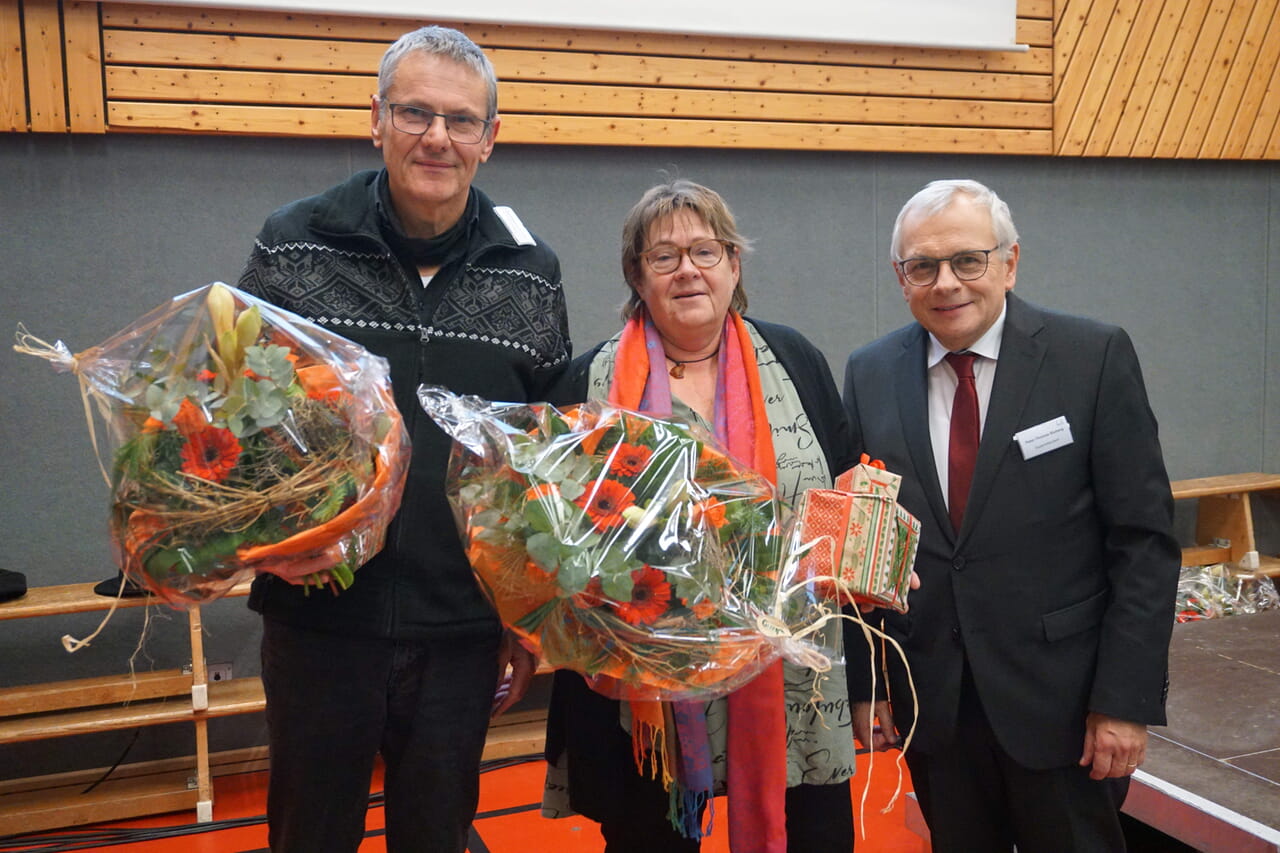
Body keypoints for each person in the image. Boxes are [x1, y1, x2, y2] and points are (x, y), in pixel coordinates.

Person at [236, 26, 570, 853]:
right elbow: (233, 414)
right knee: (308, 836)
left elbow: (544, 458)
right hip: (319, 622)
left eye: (461, 120)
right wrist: (255, 543)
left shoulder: (532, 271)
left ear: (490, 138)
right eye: (414, 112)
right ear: (376, 118)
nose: (436, 137)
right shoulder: (294, 240)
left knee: (439, 835)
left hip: (460, 630)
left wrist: (525, 621)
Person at [841, 179, 1181, 851]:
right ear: (899, 276)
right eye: (924, 266)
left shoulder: (1091, 357)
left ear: (1010, 261)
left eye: (968, 259)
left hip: (1065, 709)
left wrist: (1125, 699)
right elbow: (862, 542)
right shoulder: (871, 370)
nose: (947, 283)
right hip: (933, 702)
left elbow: (1143, 544)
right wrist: (868, 683)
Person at [541, 178, 877, 853]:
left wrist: (874, 572)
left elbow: (844, 501)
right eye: (663, 256)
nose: (687, 268)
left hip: (794, 685)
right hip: (651, 695)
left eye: (705, 249)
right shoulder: (586, 384)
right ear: (638, 275)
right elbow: (552, 539)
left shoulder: (796, 360)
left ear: (734, 263)